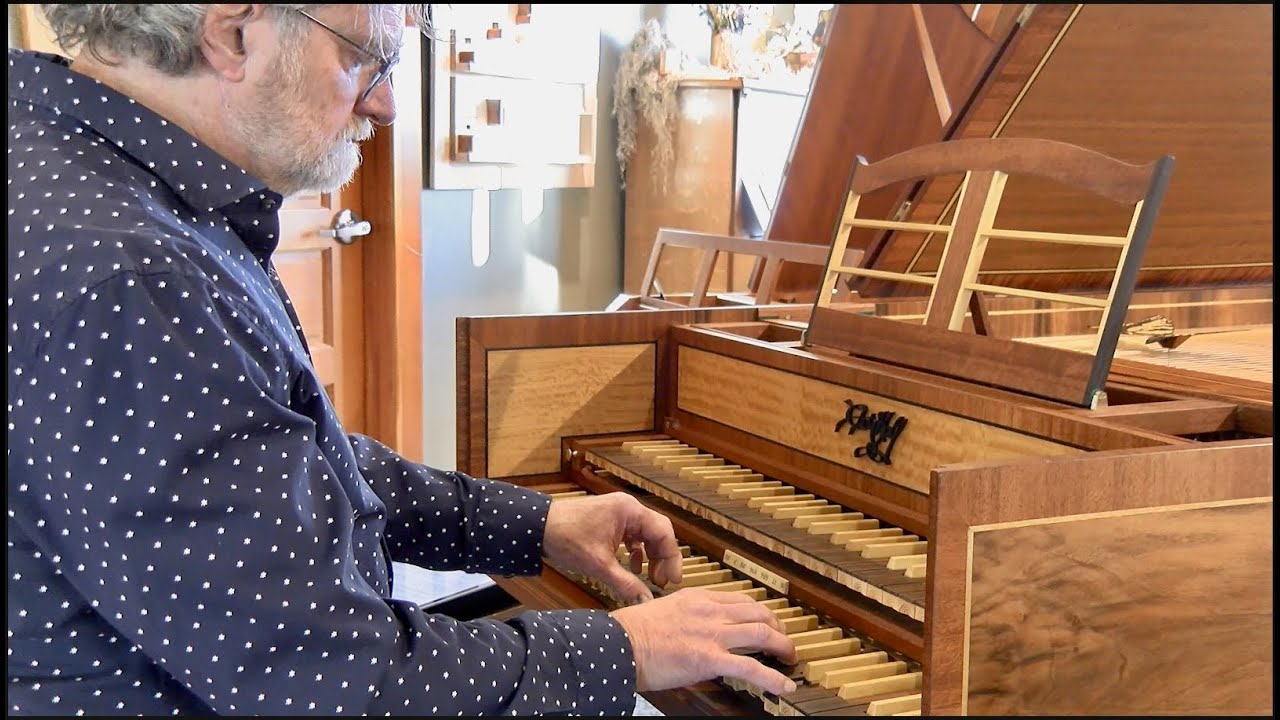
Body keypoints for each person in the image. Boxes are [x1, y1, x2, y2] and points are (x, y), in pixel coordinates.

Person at [6, 4, 797, 716]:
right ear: (233, 30)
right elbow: (335, 682)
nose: (383, 102)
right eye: (365, 57)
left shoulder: (80, 163)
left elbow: (286, 464)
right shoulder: (135, 277)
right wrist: (629, 651)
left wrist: (538, 525)